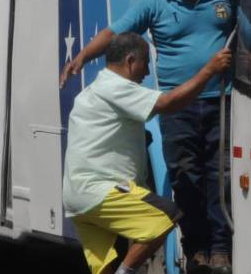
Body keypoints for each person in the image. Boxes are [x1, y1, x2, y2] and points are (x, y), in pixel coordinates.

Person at [63, 0, 239, 273]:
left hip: (222, 100)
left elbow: (248, 29)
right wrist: (83, 57)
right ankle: (197, 250)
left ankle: (220, 249)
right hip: (178, 107)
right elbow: (115, 33)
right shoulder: (155, 1)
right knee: (185, 178)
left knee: (222, 176)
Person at [64, 32, 231, 274]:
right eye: (145, 64)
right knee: (166, 216)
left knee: (104, 269)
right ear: (131, 61)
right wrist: (209, 70)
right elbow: (168, 103)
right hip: (100, 191)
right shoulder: (117, 87)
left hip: (76, 197)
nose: (146, 72)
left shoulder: (93, 91)